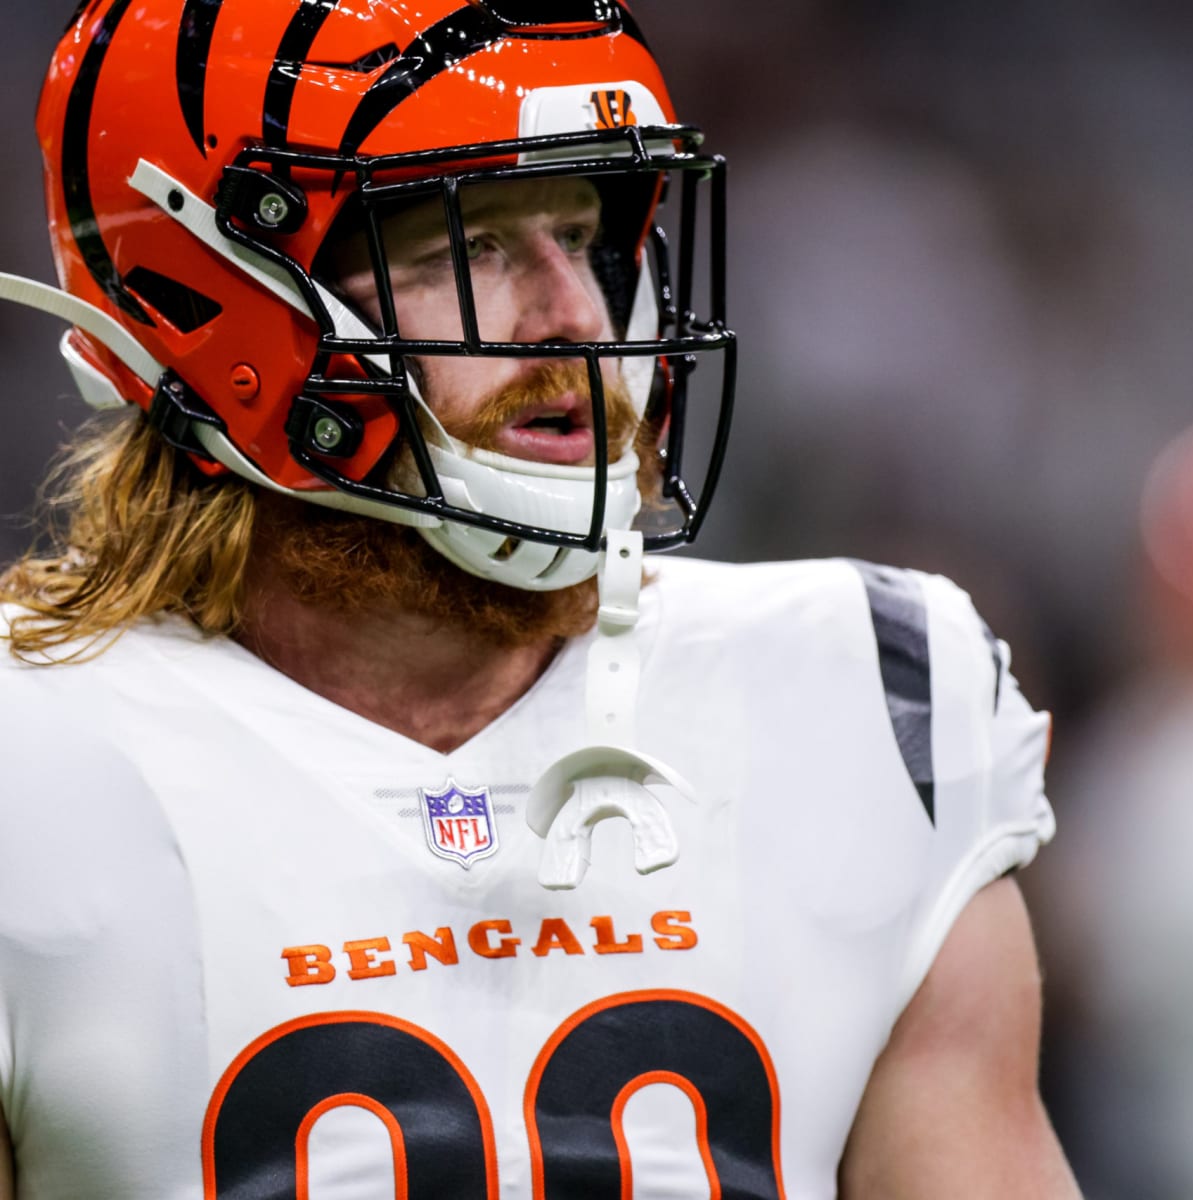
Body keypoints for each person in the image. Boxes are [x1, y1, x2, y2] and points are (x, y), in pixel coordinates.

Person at [0, 1, 1081, 1196]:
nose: (576, 318)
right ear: (206, 295)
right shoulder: (33, 753)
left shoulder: (867, 695)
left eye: (586, 235)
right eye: (468, 245)